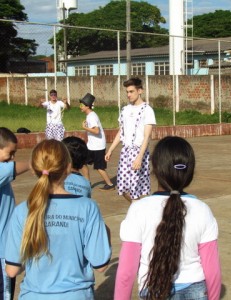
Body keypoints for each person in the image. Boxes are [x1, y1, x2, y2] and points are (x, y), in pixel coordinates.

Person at [114, 136, 221, 300]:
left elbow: (126, 271)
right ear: (189, 172)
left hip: (152, 288)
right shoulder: (203, 210)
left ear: (155, 169)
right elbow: (212, 269)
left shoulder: (138, 209)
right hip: (196, 289)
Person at [5, 139, 111, 300]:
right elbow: (101, 265)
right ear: (68, 167)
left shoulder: (22, 211)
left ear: (34, 170)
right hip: (76, 295)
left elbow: (12, 270)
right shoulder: (87, 207)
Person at [105, 77, 156, 203]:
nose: (128, 94)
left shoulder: (147, 110)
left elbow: (146, 137)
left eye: (131, 91)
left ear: (140, 91)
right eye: (127, 92)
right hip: (125, 152)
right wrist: (110, 149)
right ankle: (139, 210)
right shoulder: (125, 110)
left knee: (135, 191)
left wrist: (139, 157)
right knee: (123, 188)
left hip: (139, 151)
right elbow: (121, 132)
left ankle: (137, 215)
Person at [0, 127, 29, 300]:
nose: (12, 158)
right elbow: (13, 169)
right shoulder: (3, 171)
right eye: (10, 153)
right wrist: (33, 164)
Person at [80, 93, 115, 191]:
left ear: (87, 106)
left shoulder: (92, 116)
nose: (80, 107)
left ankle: (110, 184)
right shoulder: (89, 115)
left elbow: (96, 131)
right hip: (91, 146)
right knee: (83, 163)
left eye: (82, 105)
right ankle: (87, 184)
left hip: (98, 146)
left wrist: (85, 128)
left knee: (99, 167)